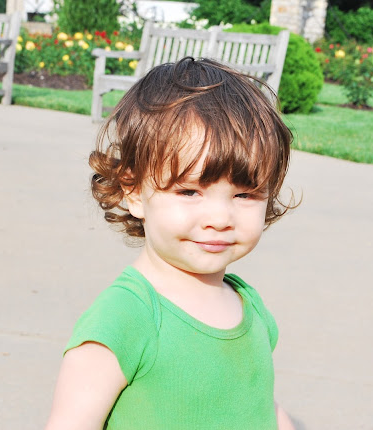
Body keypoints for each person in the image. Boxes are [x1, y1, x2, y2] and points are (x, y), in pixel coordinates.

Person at [45, 57, 296, 430]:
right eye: (190, 191)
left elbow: (262, 405)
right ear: (134, 192)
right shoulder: (127, 318)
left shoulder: (249, 306)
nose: (220, 217)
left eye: (244, 194)